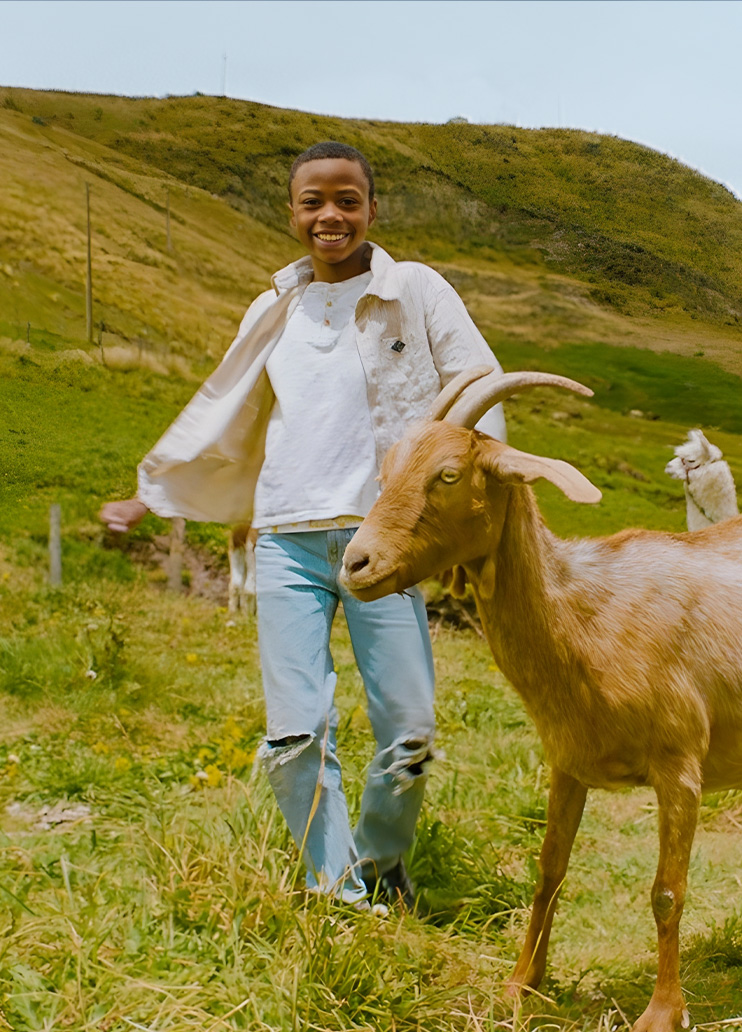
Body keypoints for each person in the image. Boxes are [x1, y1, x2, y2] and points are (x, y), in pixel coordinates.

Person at [100, 141, 506, 908]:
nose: (331, 216)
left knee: (410, 730)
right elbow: (221, 411)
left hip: (382, 541)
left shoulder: (414, 291)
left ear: (372, 210)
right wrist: (149, 492)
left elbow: (479, 387)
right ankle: (337, 895)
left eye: (347, 200)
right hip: (285, 538)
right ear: (292, 213)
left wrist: (472, 519)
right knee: (295, 734)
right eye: (313, 201)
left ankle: (383, 867)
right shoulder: (273, 308)